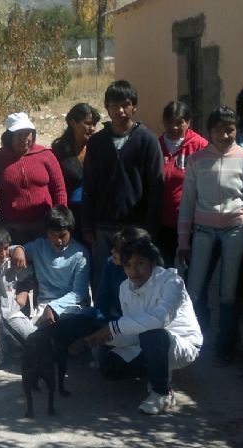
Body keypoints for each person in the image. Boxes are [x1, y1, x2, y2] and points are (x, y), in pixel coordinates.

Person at [177, 106, 243, 366]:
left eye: (230, 129)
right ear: (209, 131)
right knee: (193, 291)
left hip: (235, 230)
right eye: (218, 130)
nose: (224, 135)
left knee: (228, 292)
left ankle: (224, 347)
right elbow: (188, 202)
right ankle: (193, 342)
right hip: (202, 231)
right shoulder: (197, 161)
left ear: (236, 130)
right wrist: (183, 241)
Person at [85, 238, 202, 415]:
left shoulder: (171, 281)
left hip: (182, 343)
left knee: (153, 334)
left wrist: (114, 327)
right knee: (108, 367)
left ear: (152, 262)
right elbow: (132, 328)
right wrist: (108, 337)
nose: (134, 270)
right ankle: (158, 370)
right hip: (146, 341)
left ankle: (162, 392)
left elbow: (160, 319)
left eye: (140, 263)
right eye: (128, 265)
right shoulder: (125, 287)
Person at [82, 80, 164, 291]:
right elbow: (89, 184)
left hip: (135, 227)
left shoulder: (147, 140)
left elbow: (156, 187)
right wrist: (88, 225)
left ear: (134, 106)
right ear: (107, 107)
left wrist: (150, 227)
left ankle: (134, 323)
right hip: (102, 226)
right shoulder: (96, 142)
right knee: (103, 280)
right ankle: (103, 322)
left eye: (125, 104)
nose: (120, 110)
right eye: (114, 105)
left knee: (136, 280)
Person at [0, 112, 67, 244]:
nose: (24, 139)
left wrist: (60, 218)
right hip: (13, 227)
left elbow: (59, 188)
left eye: (27, 133)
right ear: (9, 137)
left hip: (44, 224)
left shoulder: (46, 155)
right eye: (19, 135)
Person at [17, 205, 90, 327]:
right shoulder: (38, 247)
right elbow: (8, 252)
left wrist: (54, 307)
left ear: (70, 232)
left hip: (72, 306)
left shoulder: (80, 254)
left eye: (62, 235)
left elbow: (79, 293)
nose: (58, 240)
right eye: (53, 235)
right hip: (44, 306)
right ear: (46, 233)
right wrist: (17, 249)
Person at [157, 101, 208, 266]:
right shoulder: (155, 145)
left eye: (179, 122)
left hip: (190, 222)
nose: (174, 127)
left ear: (189, 122)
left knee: (190, 271)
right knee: (165, 271)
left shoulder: (200, 146)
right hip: (162, 222)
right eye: (170, 122)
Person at [51, 103, 100, 243]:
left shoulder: (97, 148)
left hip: (95, 215)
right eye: (88, 123)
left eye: (94, 124)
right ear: (73, 123)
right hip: (70, 216)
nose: (93, 129)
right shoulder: (59, 152)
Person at [96, 227, 152, 322]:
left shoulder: (151, 273)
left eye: (117, 250)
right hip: (114, 318)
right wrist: (101, 319)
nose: (112, 251)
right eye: (113, 247)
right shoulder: (111, 264)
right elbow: (103, 297)